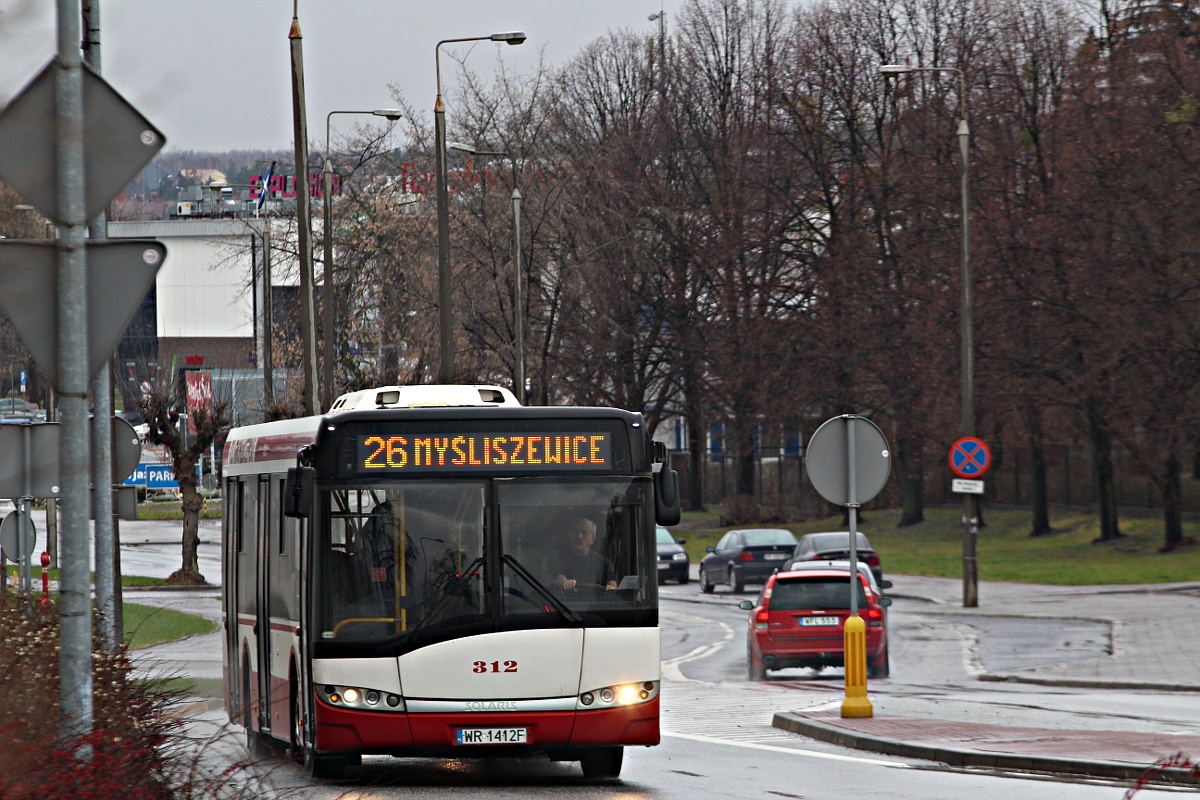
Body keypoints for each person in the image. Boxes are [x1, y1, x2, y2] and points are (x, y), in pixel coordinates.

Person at [544, 517, 617, 592]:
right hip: (565, 602)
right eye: (576, 532)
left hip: (595, 602)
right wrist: (565, 583)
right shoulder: (558, 558)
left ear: (592, 539)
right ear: (570, 536)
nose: (579, 536)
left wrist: (611, 587)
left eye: (584, 532)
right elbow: (559, 577)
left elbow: (611, 580)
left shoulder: (603, 562)